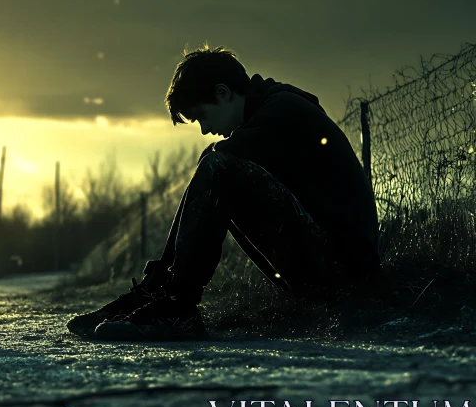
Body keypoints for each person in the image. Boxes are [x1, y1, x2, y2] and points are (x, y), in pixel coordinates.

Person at [67, 44, 382, 341]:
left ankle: (177, 305)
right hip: (328, 265)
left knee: (218, 165)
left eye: (202, 116)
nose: (204, 128)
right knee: (215, 161)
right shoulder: (268, 112)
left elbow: (218, 165)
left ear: (223, 93)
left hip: (345, 274)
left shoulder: (283, 109)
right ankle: (159, 293)